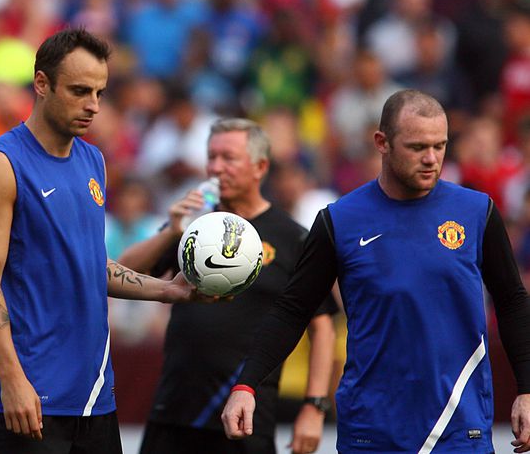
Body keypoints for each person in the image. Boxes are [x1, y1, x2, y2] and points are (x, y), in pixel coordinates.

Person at [222, 89, 530, 453]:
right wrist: (247, 385)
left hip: (460, 428)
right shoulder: (339, 221)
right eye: (417, 147)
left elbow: (511, 301)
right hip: (372, 431)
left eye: (440, 145)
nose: (432, 159)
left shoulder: (477, 212)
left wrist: (526, 389)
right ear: (382, 142)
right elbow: (292, 310)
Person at [0, 28, 200, 454]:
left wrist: (169, 290)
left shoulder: (93, 160)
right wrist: (11, 378)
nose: (93, 105)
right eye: (79, 91)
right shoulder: (0, 164)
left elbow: (92, 265)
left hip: (94, 397)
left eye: (99, 92)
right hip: (30, 397)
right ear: (41, 84)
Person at [117, 118, 339, 454]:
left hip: (245, 414)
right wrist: (171, 232)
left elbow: (322, 327)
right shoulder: (194, 228)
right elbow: (119, 273)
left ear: (260, 167)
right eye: (212, 157)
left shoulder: (293, 237)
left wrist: (314, 407)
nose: (216, 168)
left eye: (228, 158)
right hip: (174, 409)